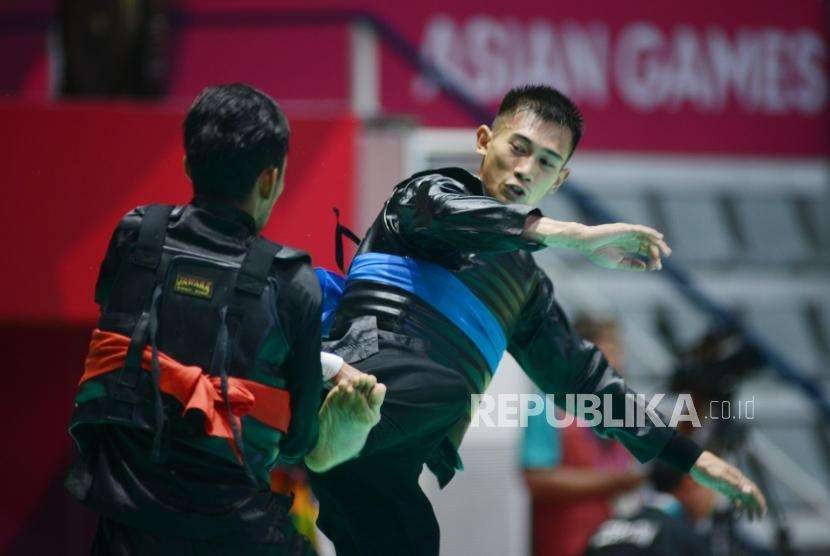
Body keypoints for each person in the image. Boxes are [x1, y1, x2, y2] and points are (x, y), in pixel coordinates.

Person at [309, 85, 766, 555]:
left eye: (546, 162)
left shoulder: (525, 289)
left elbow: (586, 381)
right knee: (410, 391)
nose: (526, 170)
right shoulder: (424, 194)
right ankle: (331, 430)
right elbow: (451, 216)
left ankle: (336, 444)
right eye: (518, 148)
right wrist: (574, 236)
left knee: (411, 541)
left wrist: (691, 458)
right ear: (485, 140)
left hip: (395, 455)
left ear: (560, 179)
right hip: (366, 376)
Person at [64, 83, 384, 555]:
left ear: (188, 163)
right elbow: (296, 444)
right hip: (237, 535)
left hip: (123, 533)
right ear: (270, 180)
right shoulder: (292, 283)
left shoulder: (136, 237)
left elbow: (130, 343)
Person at [522, 315, 644, 556]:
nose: (618, 363)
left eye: (619, 353)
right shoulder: (546, 404)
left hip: (612, 543)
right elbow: (537, 479)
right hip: (563, 544)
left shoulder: (617, 407)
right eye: (609, 356)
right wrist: (615, 481)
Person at [585, 462, 717, 556]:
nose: (714, 495)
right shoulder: (686, 539)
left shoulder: (603, 530)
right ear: (690, 481)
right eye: (714, 484)